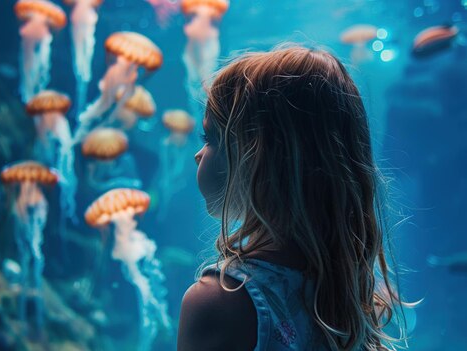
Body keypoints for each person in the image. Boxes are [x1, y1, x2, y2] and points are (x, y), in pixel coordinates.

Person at [177, 46, 413, 351]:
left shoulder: (221, 300)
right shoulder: (348, 295)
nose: (198, 155)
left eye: (209, 138)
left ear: (257, 156)